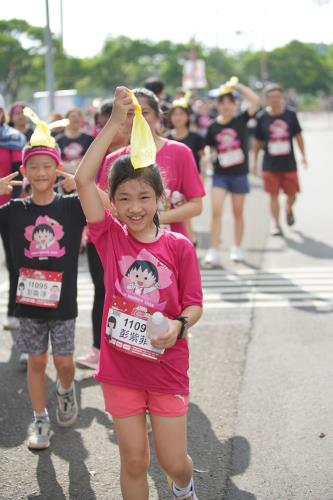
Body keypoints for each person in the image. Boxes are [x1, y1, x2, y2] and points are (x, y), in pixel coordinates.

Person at [74, 86, 203, 500]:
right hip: (121, 369)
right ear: (110, 202)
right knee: (133, 460)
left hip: (166, 368)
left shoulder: (178, 247)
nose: (134, 207)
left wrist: (180, 326)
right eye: (124, 198)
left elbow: (194, 305)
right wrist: (114, 123)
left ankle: (184, 486)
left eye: (144, 197)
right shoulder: (109, 238)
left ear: (159, 199)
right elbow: (81, 178)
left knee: (173, 461)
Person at [0, 111, 86, 450]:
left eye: (47, 166)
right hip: (28, 301)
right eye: (33, 167)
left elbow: (109, 210)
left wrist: (82, 183)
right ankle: (40, 420)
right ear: (23, 172)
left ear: (57, 168)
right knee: (36, 361)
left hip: (63, 302)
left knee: (64, 363)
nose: (40, 173)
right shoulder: (13, 212)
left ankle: (66, 390)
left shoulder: (72, 207)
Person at [99, 87, 205, 240]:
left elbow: (196, 206)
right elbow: (107, 208)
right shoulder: (113, 160)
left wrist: (152, 218)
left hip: (172, 245)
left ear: (158, 116)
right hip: (129, 249)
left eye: (144, 112)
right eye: (130, 113)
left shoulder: (180, 152)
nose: (137, 117)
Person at [76, 99, 130, 370]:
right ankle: (100, 349)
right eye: (100, 125)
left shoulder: (142, 156)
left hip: (133, 242)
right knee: (102, 291)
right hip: (104, 234)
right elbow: (84, 183)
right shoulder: (101, 158)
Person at [204, 78, 260, 267]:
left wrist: (237, 86)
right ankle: (214, 250)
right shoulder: (213, 126)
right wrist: (206, 156)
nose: (226, 106)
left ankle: (237, 247)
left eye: (230, 102)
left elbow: (255, 101)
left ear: (235, 104)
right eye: (222, 102)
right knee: (216, 212)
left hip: (239, 174)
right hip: (220, 174)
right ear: (217, 105)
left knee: (238, 212)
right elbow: (208, 147)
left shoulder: (241, 119)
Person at [253, 83, 307, 236]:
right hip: (270, 164)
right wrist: (255, 161)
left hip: (289, 163)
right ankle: (276, 224)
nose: (276, 100)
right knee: (273, 195)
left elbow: (298, 136)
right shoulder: (262, 117)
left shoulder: (290, 115)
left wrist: (304, 156)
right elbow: (257, 141)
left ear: (282, 98)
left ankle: (289, 208)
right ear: (267, 100)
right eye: (272, 97)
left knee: (292, 195)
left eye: (278, 96)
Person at [0, 94, 27, 334]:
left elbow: (17, 176)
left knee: (14, 262)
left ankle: (12, 311)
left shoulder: (14, 138)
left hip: (9, 209)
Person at [166, 97, 206, 244]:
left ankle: (189, 240)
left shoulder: (196, 137)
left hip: (190, 181)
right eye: (175, 114)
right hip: (173, 184)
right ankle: (187, 240)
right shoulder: (166, 138)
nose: (178, 117)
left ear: (188, 116)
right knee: (178, 213)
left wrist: (202, 177)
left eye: (182, 114)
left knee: (187, 212)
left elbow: (203, 158)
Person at [55, 107, 94, 181]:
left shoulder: (89, 139)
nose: (75, 119)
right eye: (72, 116)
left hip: (84, 178)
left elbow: (93, 159)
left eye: (78, 116)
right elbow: (55, 160)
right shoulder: (58, 140)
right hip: (64, 179)